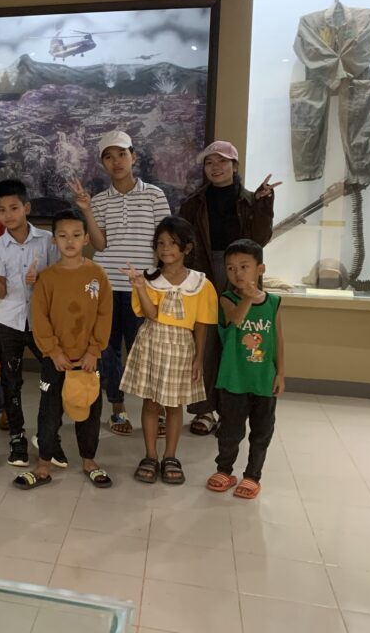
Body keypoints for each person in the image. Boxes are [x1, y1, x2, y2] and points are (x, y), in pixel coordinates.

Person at [70, 130, 171, 438]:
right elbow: (99, 245)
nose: (116, 161)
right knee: (109, 352)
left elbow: (165, 242)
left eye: (122, 154)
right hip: (107, 288)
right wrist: (87, 210)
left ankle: (156, 407)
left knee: (148, 351)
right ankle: (117, 407)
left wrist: (161, 282)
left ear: (134, 157)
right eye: (109, 157)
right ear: (102, 163)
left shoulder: (154, 195)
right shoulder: (100, 200)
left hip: (144, 289)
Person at [178, 140, 278, 436]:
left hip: (240, 274)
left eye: (222, 161)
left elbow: (260, 239)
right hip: (204, 273)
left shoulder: (250, 200)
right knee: (205, 342)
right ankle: (204, 409)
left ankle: (232, 411)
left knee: (238, 341)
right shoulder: (194, 202)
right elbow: (185, 242)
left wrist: (264, 205)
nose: (216, 167)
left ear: (235, 166)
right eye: (210, 163)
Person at [13, 209, 113, 490]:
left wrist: (94, 350)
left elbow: (104, 314)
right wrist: (53, 351)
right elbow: (40, 317)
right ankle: (43, 464)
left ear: (86, 239)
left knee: (89, 409)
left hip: (88, 359)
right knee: (49, 411)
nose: (70, 241)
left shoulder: (97, 274)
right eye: (63, 236)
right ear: (54, 240)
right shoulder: (47, 278)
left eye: (76, 235)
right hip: (55, 359)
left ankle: (89, 460)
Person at [121, 216, 219, 485]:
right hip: (152, 342)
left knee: (175, 405)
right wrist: (140, 287)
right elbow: (151, 314)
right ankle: (151, 455)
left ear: (187, 247)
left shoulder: (200, 283)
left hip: (181, 347)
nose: (165, 249)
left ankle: (170, 456)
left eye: (173, 243)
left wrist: (199, 358)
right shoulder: (149, 278)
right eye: (161, 243)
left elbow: (202, 323)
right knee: (151, 403)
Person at [0, 178, 57, 467]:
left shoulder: (48, 240)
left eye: (14, 208)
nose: (8, 215)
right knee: (11, 382)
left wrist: (42, 278)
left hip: (42, 321)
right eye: (1, 210)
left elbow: (61, 278)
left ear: (26, 208)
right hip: (9, 321)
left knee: (53, 377)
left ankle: (48, 435)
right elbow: (0, 292)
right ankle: (17, 436)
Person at [206, 239, 285, 500]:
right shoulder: (226, 299)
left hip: (263, 380)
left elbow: (278, 339)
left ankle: (252, 476)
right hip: (234, 379)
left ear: (260, 269)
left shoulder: (273, 302)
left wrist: (280, 373)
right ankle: (224, 470)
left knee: (262, 432)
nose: (237, 273)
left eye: (244, 266)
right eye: (230, 268)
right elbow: (237, 319)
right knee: (230, 430)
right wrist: (249, 298)